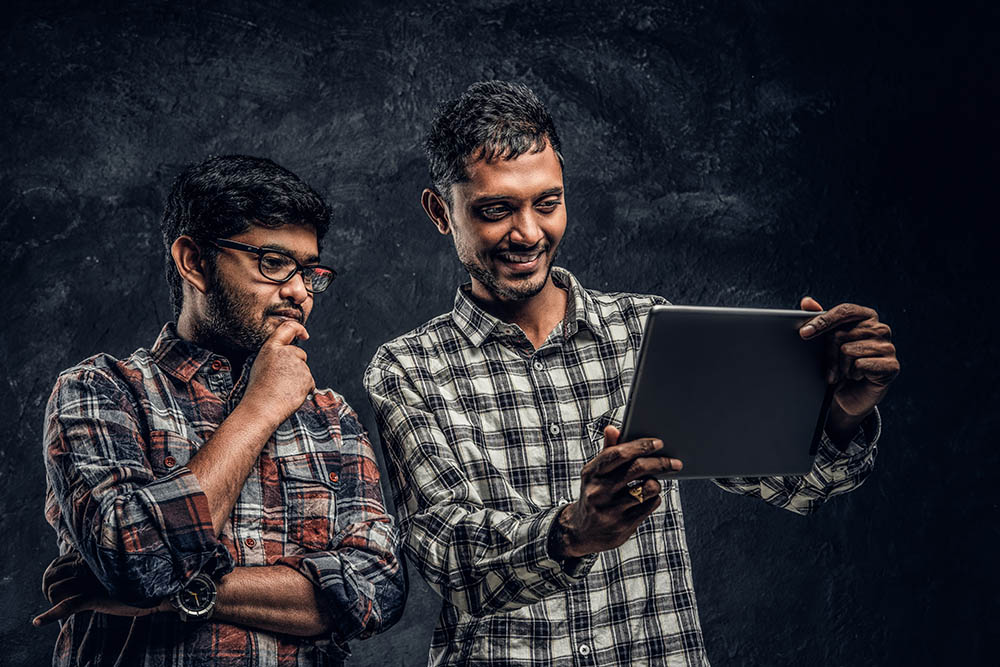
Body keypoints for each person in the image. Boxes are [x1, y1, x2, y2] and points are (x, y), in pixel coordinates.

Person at [363, 81, 900, 666]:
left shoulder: (651, 330)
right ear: (441, 212)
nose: (528, 233)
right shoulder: (408, 369)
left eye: (547, 203)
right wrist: (574, 530)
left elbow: (795, 484)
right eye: (496, 210)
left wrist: (846, 411)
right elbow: (449, 559)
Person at [34, 155, 406, 666]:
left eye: (309, 271)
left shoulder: (332, 418)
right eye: (273, 263)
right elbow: (139, 560)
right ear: (194, 262)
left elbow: (377, 589)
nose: (299, 292)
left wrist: (180, 593)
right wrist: (258, 409)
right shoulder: (101, 391)